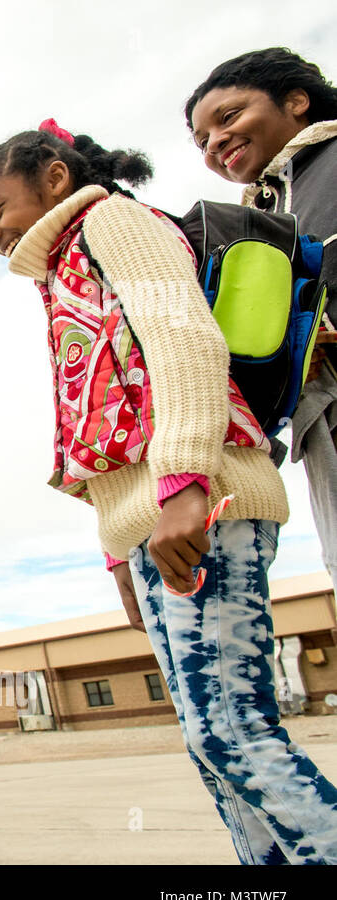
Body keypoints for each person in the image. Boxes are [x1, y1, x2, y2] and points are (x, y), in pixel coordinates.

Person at [0, 120, 337, 864]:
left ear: (54, 179)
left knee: (233, 729)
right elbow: (95, 422)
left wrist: (185, 484)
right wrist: (117, 554)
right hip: (153, 522)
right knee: (212, 747)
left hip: (206, 500)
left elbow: (182, 340)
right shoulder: (60, 274)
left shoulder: (112, 221)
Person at [186, 48, 337, 593]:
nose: (215, 143)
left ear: (296, 101)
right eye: (202, 141)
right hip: (321, 420)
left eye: (227, 118)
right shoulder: (269, 215)